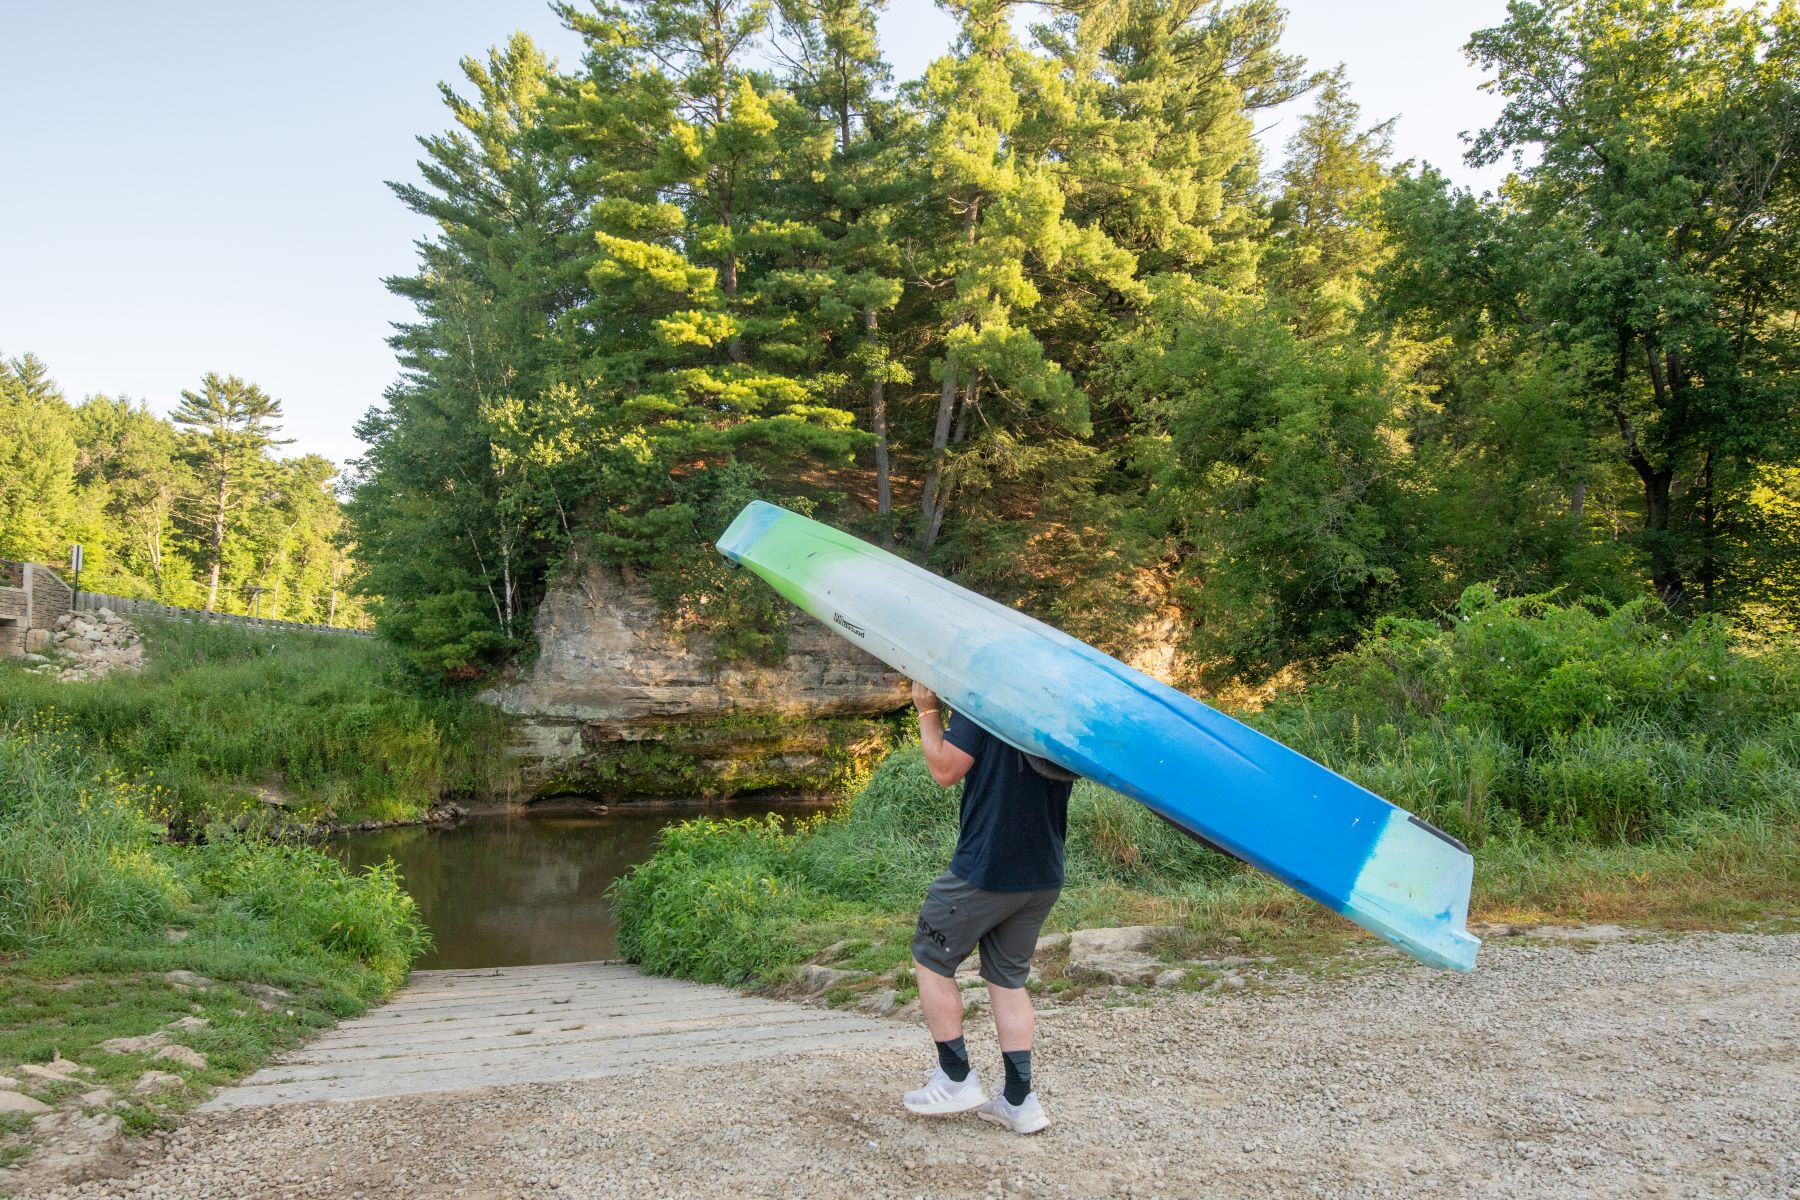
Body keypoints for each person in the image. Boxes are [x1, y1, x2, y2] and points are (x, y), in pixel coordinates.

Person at [902, 679, 1074, 1135]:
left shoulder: (985, 705)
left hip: (985, 871)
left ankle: (956, 1077)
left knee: (930, 958)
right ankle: (1020, 1101)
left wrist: (926, 709)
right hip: (1042, 874)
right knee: (1007, 979)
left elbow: (945, 769)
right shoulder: (1058, 718)